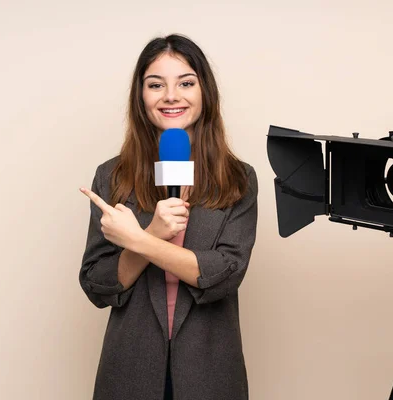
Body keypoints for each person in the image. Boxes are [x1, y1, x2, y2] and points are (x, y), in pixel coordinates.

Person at [78, 34, 258, 400]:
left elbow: (224, 274)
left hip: (210, 372)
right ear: (141, 97)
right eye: (155, 84)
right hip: (129, 370)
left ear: (204, 92)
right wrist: (154, 232)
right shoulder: (112, 177)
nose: (171, 95)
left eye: (186, 83)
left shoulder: (239, 179)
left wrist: (142, 239)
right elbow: (98, 284)